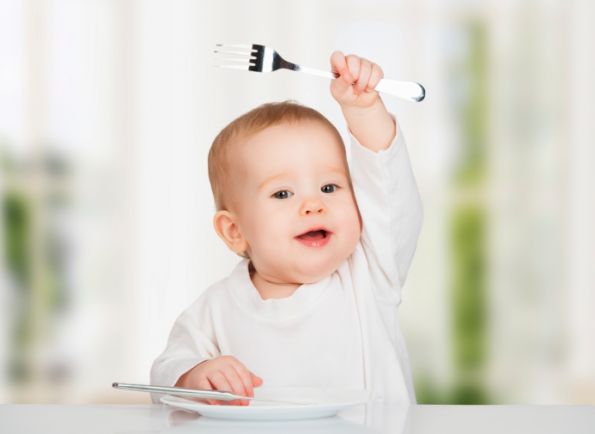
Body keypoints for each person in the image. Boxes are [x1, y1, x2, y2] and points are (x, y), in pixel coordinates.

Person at [151, 51, 423, 406]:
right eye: (282, 193)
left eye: (329, 187)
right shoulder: (215, 310)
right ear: (234, 231)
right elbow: (165, 373)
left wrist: (364, 110)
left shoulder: (370, 273)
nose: (313, 204)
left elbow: (391, 194)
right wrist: (195, 375)